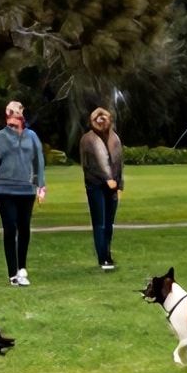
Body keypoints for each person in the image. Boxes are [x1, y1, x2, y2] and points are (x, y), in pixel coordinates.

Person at [0, 100, 47, 286]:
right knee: (10, 228)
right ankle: (12, 273)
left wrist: (40, 185)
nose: (12, 115)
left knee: (24, 227)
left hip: (26, 189)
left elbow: (39, 162)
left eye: (15, 112)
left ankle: (22, 268)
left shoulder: (31, 137)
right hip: (4, 189)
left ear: (21, 114)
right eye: (9, 112)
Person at [79, 106, 124, 271]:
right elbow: (90, 166)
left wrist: (119, 184)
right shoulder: (87, 140)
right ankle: (103, 258)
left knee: (109, 223)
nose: (101, 121)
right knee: (100, 223)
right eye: (97, 119)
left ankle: (107, 253)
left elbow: (119, 163)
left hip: (112, 187)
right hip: (95, 186)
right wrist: (107, 179)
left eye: (103, 118)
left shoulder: (115, 139)